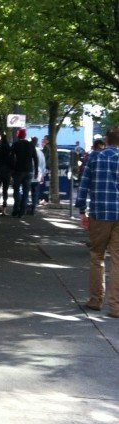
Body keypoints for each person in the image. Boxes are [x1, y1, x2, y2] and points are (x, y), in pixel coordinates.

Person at [75, 127, 119, 316]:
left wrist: (81, 210)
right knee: (118, 261)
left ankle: (95, 300)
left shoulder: (94, 157)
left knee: (97, 257)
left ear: (107, 140)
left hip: (99, 213)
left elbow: (83, 184)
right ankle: (116, 306)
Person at [10, 128, 38, 217]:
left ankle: (15, 209)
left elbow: (10, 157)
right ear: (25, 136)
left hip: (18, 170)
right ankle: (22, 212)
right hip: (29, 171)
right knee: (26, 192)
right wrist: (36, 170)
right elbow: (35, 158)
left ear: (18, 136)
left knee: (16, 190)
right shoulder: (31, 145)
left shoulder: (16, 145)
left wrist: (12, 169)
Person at [30, 136, 47, 212]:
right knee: (35, 191)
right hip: (38, 174)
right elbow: (43, 164)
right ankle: (33, 207)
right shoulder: (40, 152)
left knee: (25, 190)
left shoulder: (29, 150)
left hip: (29, 173)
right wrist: (43, 174)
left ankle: (24, 207)